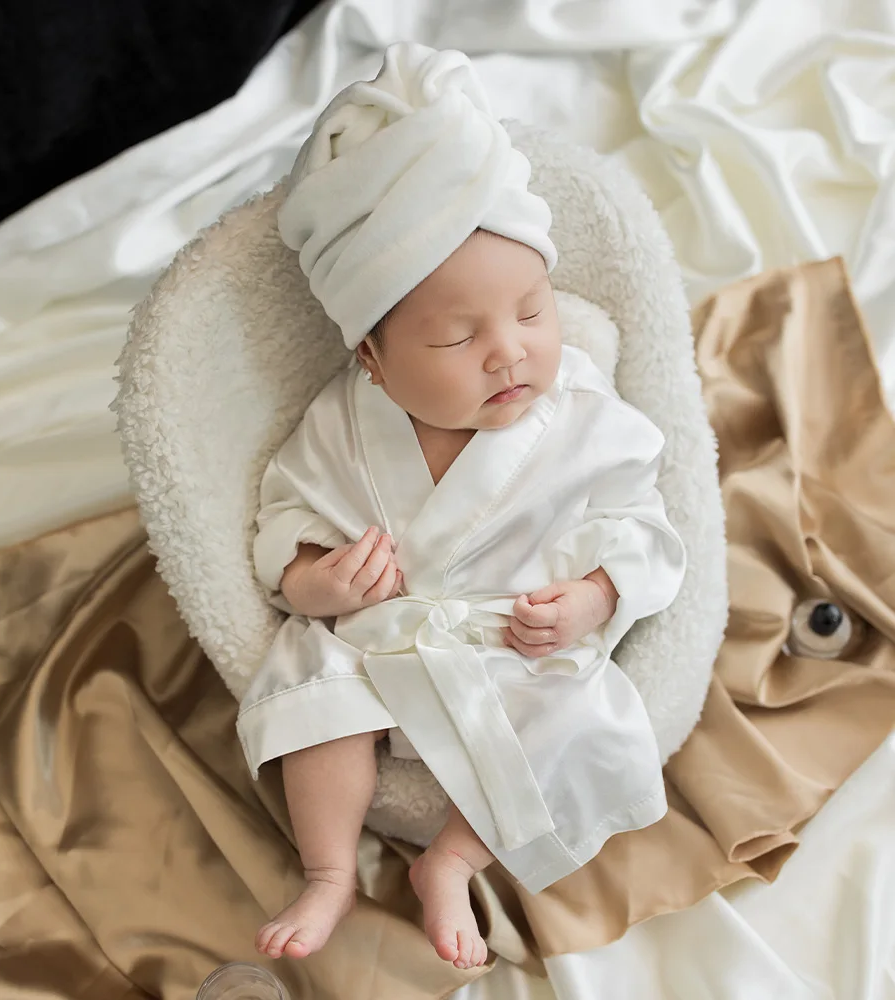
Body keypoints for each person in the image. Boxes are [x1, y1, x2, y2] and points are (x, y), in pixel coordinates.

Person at [236, 42, 686, 971]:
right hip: (382, 640)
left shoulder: (584, 414)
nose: (509, 352)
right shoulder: (343, 425)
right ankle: (327, 871)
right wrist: (317, 583)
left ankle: (453, 857)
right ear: (374, 357)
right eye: (458, 335)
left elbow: (645, 522)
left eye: (531, 310)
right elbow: (280, 522)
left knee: (584, 718)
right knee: (309, 678)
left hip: (516, 644)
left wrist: (596, 598)